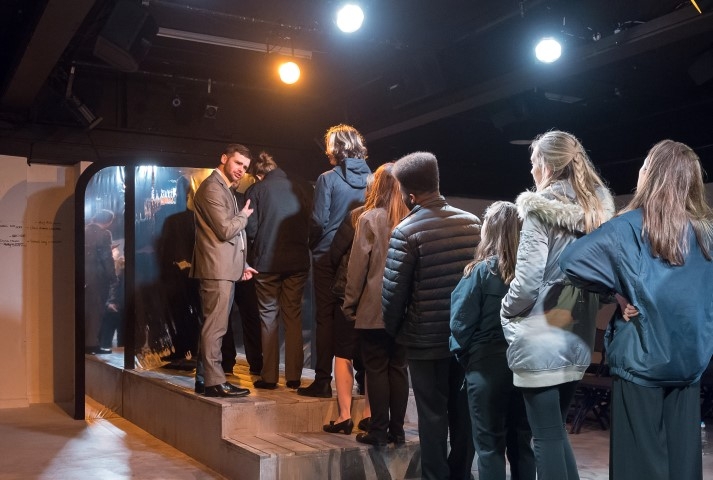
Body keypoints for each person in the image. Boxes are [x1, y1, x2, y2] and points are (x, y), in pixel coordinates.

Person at [560, 139, 713, 480]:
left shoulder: (627, 227)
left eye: (645, 164)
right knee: (684, 466)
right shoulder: (706, 233)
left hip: (642, 361)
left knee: (638, 466)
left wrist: (615, 292)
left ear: (652, 174)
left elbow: (571, 262)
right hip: (690, 364)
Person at [500, 130, 615, 480]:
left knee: (545, 436)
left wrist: (506, 309)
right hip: (577, 335)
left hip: (542, 332)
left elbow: (528, 280)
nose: (532, 172)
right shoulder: (600, 214)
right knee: (555, 432)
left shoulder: (539, 210)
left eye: (534, 164)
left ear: (547, 167)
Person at [383, 151, 480, 478]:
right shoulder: (473, 223)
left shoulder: (405, 231)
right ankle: (461, 474)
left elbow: (393, 294)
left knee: (432, 416)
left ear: (409, 194)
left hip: (425, 341)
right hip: (467, 339)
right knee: (463, 414)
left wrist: (395, 332)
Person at [449, 201, 535, 480]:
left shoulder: (480, 272)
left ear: (490, 231)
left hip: (486, 368)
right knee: (521, 445)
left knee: (489, 446)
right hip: (524, 367)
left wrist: (466, 356)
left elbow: (459, 325)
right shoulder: (532, 275)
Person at [339, 163, 410, 446]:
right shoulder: (413, 218)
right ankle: (398, 431)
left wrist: (349, 304)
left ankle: (378, 431)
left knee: (376, 369)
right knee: (399, 368)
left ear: (377, 186)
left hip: (373, 309)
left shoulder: (369, 219)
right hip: (404, 310)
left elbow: (357, 269)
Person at [298, 124, 371, 398]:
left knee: (324, 318)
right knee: (358, 317)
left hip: (328, 254)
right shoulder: (373, 180)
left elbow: (317, 220)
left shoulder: (327, 179)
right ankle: (363, 381)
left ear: (334, 149)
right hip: (359, 255)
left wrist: (314, 245)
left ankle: (322, 381)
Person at [190, 143, 255, 398]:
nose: (241, 170)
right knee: (215, 328)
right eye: (238, 163)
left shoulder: (223, 188)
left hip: (224, 268)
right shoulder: (212, 188)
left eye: (245, 167)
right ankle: (214, 382)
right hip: (216, 270)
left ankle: (204, 379)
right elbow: (226, 230)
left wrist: (243, 264)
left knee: (212, 326)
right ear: (224, 158)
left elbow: (230, 238)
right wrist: (245, 215)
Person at [245, 151, 312, 390]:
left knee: (268, 317)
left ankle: (270, 377)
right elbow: (314, 222)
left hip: (267, 263)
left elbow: (250, 230)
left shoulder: (257, 190)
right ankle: (294, 377)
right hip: (298, 262)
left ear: (259, 174)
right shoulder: (301, 186)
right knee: (293, 316)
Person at [84, 209, 118, 354]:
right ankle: (91, 343)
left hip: (84, 276)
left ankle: (85, 341)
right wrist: (112, 276)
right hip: (97, 277)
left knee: (86, 309)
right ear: (108, 221)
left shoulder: (84, 230)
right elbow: (107, 257)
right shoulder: (105, 234)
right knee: (96, 310)